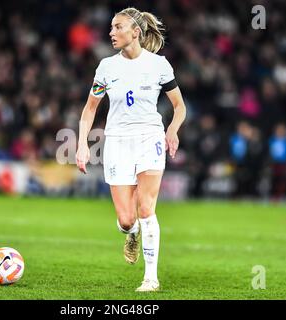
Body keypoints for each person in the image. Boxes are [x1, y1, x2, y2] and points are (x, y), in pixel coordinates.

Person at [75, 7, 186, 292]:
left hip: (150, 137)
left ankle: (151, 278)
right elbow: (89, 110)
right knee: (126, 219)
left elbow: (179, 106)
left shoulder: (159, 65)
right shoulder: (106, 68)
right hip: (117, 142)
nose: (111, 33)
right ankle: (131, 233)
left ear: (135, 32)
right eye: (111, 28)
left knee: (146, 208)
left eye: (118, 27)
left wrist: (171, 129)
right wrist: (82, 145)